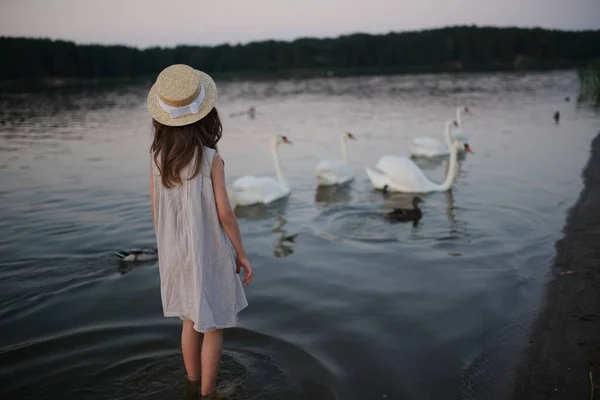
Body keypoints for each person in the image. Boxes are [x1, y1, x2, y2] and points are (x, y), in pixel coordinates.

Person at [147, 64, 252, 398]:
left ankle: (191, 382)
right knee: (214, 324)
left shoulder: (157, 159)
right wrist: (241, 253)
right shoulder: (210, 159)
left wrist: (168, 250)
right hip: (209, 253)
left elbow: (156, 212)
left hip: (174, 252)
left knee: (189, 321)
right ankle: (208, 394)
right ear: (207, 115)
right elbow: (225, 213)